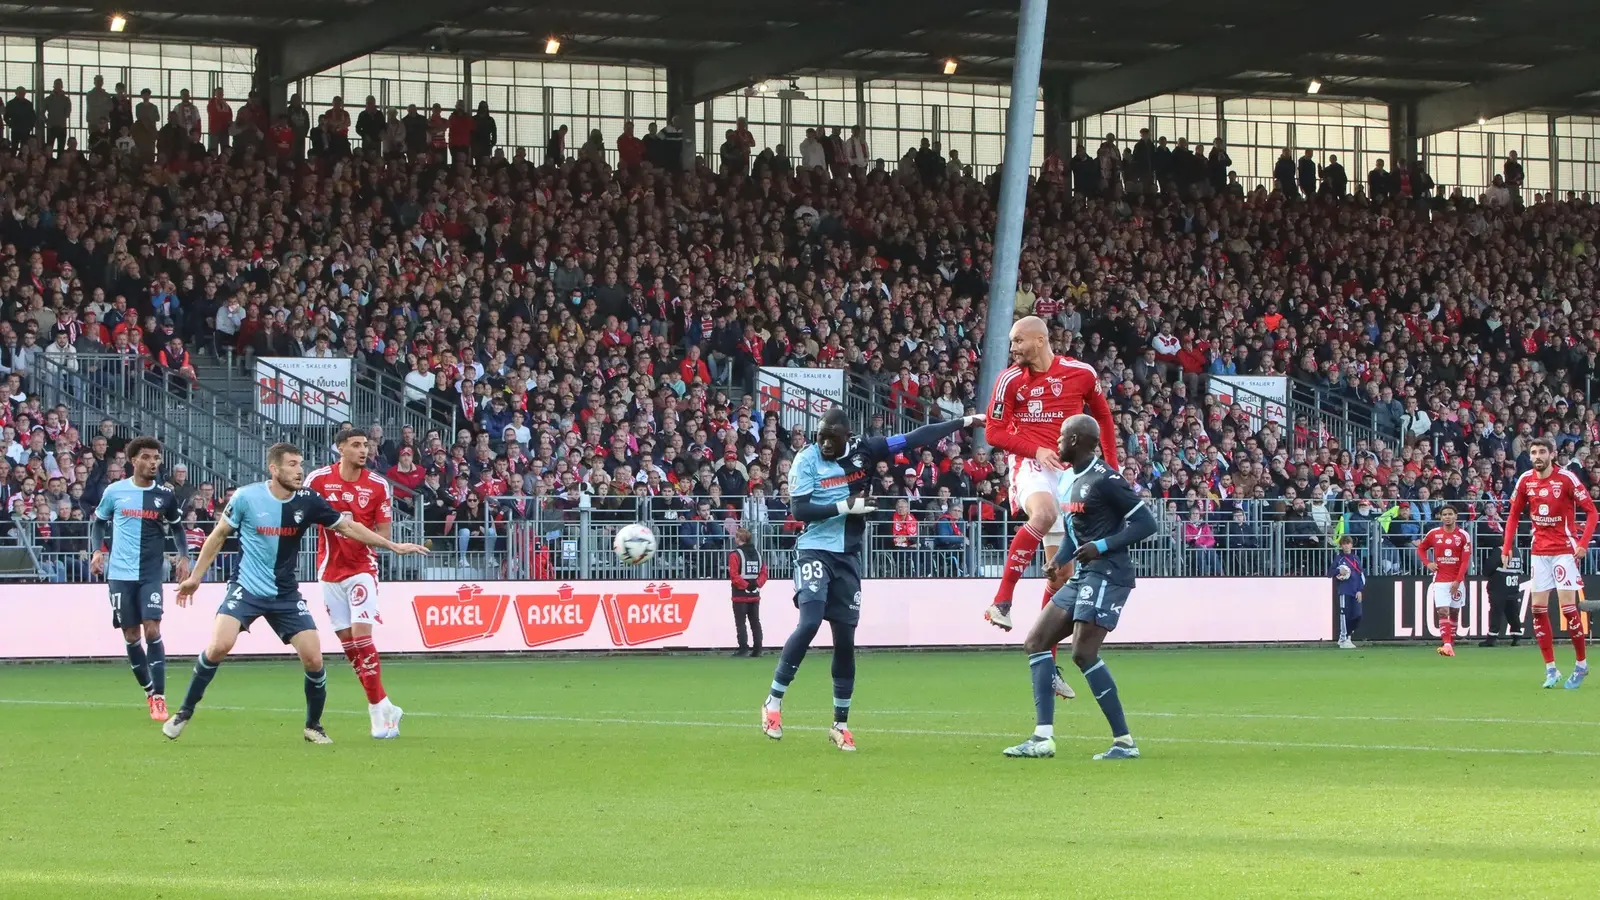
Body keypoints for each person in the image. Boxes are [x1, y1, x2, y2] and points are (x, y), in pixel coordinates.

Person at [162, 443, 426, 743]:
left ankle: (313, 726)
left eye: (300, 463)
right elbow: (218, 535)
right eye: (291, 464)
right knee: (220, 645)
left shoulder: (309, 500)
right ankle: (184, 711)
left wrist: (392, 545)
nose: (299, 470)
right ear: (274, 469)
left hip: (285, 594)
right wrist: (196, 577)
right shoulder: (247, 497)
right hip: (246, 588)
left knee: (314, 659)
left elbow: (348, 527)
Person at [762, 406, 981, 751]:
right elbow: (799, 510)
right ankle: (773, 702)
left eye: (830, 439)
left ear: (846, 437)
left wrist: (965, 421)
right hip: (815, 549)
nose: (824, 445)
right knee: (810, 621)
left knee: (845, 639)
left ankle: (840, 724)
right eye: (820, 437)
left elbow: (915, 438)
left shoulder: (866, 451)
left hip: (848, 556)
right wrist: (844, 507)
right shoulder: (807, 460)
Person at [1004, 414, 1156, 761]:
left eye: (1061, 437)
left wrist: (1101, 547)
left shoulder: (1107, 479)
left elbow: (1146, 522)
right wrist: (1060, 558)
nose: (1056, 443)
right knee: (1036, 642)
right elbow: (1077, 533)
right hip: (1083, 573)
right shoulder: (1068, 478)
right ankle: (1042, 738)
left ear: (1076, 441)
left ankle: (1125, 742)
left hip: (1108, 573)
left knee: (1083, 653)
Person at [982, 315, 1117, 698]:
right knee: (1044, 514)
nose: (1013, 349)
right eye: (1011, 343)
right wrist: (1036, 449)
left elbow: (1104, 417)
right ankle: (1002, 600)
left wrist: (1112, 466)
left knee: (1060, 576)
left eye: (1018, 342)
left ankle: (1048, 659)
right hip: (1030, 466)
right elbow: (993, 431)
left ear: (1040, 340)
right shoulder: (1009, 380)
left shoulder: (1081, 374)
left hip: (1070, 474)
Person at [306, 428, 403, 739]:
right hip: (328, 570)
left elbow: (384, 536)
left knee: (363, 640)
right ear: (340, 448)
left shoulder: (377, 486)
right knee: (350, 649)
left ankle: (376, 713)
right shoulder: (318, 480)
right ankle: (386, 703)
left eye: (366, 445)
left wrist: (350, 530)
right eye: (357, 445)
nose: (364, 450)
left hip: (362, 567)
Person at [89, 436, 191, 722]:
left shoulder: (165, 496)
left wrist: (183, 556)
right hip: (120, 575)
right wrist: (97, 551)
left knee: (153, 630)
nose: (153, 463)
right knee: (131, 635)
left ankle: (159, 696)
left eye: (156, 458)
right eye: (147, 457)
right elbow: (98, 522)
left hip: (150, 573)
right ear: (133, 460)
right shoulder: (115, 491)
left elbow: (178, 529)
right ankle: (148, 691)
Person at [1501, 436, 1597, 689]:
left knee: (1567, 609)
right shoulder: (1525, 480)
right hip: (1538, 552)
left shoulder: (1566, 479)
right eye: (1533, 452)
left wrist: (1583, 543)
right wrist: (1506, 545)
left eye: (1542, 451)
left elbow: (1592, 512)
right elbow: (1512, 516)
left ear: (1552, 454)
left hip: (1564, 550)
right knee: (1537, 610)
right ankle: (1551, 669)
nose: (1537, 456)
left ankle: (1581, 664)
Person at [1417, 505, 1471, 657]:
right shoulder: (1433, 534)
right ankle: (1446, 644)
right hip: (1440, 579)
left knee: (1454, 611)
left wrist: (1458, 580)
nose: (1447, 517)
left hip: (1457, 580)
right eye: (1444, 514)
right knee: (1443, 611)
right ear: (1440, 517)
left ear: (1456, 516)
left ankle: (1451, 640)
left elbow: (1465, 562)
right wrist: (1428, 563)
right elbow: (1421, 549)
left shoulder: (1463, 536)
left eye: (1450, 514)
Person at [728, 526, 766, 658]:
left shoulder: (735, 555)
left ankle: (743, 649)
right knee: (755, 622)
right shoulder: (758, 554)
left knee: (741, 622)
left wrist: (745, 585)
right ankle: (758, 649)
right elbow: (764, 573)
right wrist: (756, 585)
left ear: (739, 539)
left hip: (740, 595)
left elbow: (734, 575)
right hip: (755, 595)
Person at [1329, 535, 1365, 650]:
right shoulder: (1339, 559)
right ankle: (1344, 638)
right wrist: (1339, 570)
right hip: (1344, 590)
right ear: (1341, 546)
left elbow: (1361, 575)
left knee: (1357, 615)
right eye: (1344, 544)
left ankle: (1346, 636)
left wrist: (1360, 590)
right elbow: (1330, 573)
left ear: (1351, 545)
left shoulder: (1355, 558)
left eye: (1348, 543)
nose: (1346, 546)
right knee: (1345, 615)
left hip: (1355, 591)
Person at [1481, 556, 1525, 648]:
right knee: (1513, 613)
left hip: (1499, 588)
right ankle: (1517, 636)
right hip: (1513, 587)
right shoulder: (1517, 551)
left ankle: (1492, 638)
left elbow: (1486, 570)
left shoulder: (1498, 552)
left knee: (1496, 613)